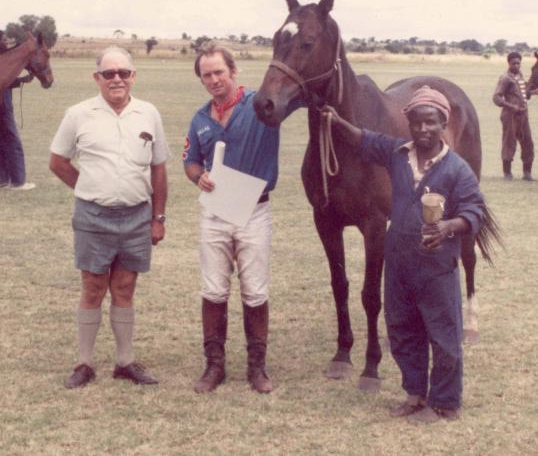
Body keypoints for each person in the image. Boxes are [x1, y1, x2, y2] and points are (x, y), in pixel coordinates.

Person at [321, 86, 485, 423]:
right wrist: (336, 120)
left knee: (443, 335)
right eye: (417, 123)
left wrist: (448, 226)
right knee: (402, 330)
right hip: (399, 262)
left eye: (431, 123)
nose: (424, 130)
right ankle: (414, 394)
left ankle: (444, 404)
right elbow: (363, 139)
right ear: (408, 124)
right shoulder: (397, 152)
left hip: (437, 265)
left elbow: (475, 212)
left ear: (443, 123)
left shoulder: (457, 169)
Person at [49, 46, 169, 389]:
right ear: (96, 77)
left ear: (133, 76)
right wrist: (87, 188)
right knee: (92, 287)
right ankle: (85, 363)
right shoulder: (78, 114)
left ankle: (125, 361)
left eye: (124, 73)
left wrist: (158, 217)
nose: (117, 79)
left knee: (125, 287)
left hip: (137, 216)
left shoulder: (149, 113)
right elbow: (57, 162)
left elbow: (159, 169)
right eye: (109, 74)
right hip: (93, 216)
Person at [183, 42, 298, 394]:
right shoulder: (201, 118)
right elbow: (190, 161)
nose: (214, 79)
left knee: (255, 290)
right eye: (207, 75)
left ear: (233, 71)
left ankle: (257, 367)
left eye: (219, 71)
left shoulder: (260, 106)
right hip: (215, 212)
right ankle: (214, 366)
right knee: (214, 289)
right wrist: (197, 175)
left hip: (254, 210)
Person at [0, 30, 36, 190]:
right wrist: (22, 79)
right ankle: (18, 181)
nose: (5, 41)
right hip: (3, 100)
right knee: (11, 137)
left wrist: (20, 80)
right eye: (2, 38)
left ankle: (2, 179)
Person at [493, 51, 535, 181]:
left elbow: (524, 94)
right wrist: (512, 106)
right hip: (510, 116)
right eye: (514, 63)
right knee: (509, 142)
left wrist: (532, 92)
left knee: (528, 143)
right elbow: (496, 98)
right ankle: (507, 173)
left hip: (523, 115)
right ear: (509, 63)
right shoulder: (505, 78)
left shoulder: (520, 76)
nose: (516, 65)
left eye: (518, 63)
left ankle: (527, 173)